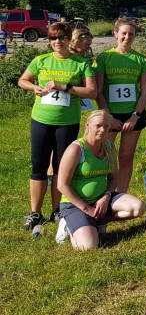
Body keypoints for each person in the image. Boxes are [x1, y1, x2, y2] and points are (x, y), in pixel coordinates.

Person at [17, 22, 97, 229]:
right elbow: (22, 80)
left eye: (61, 37)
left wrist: (66, 87)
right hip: (41, 120)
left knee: (63, 168)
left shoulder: (81, 63)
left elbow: (92, 92)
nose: (57, 42)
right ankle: (35, 213)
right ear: (49, 40)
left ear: (69, 38)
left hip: (67, 122)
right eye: (53, 38)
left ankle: (57, 210)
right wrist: (34, 87)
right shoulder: (41, 60)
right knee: (39, 166)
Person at [54, 111, 146, 249]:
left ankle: (99, 221)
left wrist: (106, 196)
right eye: (98, 126)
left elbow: (114, 177)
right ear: (87, 125)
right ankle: (68, 226)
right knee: (88, 247)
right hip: (75, 205)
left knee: (138, 208)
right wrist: (87, 209)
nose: (102, 130)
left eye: (106, 126)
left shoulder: (110, 147)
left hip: (101, 200)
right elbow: (62, 185)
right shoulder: (76, 149)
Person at [94, 17, 146, 193]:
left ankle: (121, 195)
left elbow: (145, 92)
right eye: (123, 33)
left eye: (131, 34)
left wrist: (135, 116)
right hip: (109, 115)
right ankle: (104, 192)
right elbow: (98, 91)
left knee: (126, 157)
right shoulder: (104, 58)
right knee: (106, 157)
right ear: (115, 33)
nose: (127, 37)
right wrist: (108, 117)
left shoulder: (141, 60)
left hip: (133, 115)